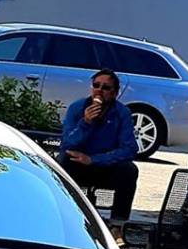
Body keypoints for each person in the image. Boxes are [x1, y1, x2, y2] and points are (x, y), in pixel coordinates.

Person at [57, 69, 139, 229]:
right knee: (65, 161)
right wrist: (85, 123)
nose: (99, 90)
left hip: (105, 165)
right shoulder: (77, 108)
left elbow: (129, 149)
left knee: (129, 170)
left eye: (106, 87)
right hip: (79, 164)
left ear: (114, 93)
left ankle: (117, 225)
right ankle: (65, 216)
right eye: (96, 85)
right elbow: (67, 143)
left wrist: (94, 160)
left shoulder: (121, 113)